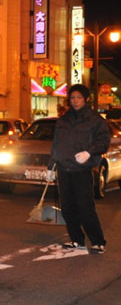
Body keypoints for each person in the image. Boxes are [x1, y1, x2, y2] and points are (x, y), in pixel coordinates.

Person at [49, 84, 109, 254]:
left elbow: (103, 141)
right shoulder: (63, 120)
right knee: (67, 207)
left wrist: (89, 153)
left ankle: (98, 241)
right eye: (73, 98)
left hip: (81, 170)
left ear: (86, 99)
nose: (75, 101)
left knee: (85, 207)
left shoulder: (95, 120)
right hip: (64, 168)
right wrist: (51, 165)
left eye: (79, 98)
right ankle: (77, 239)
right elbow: (56, 145)